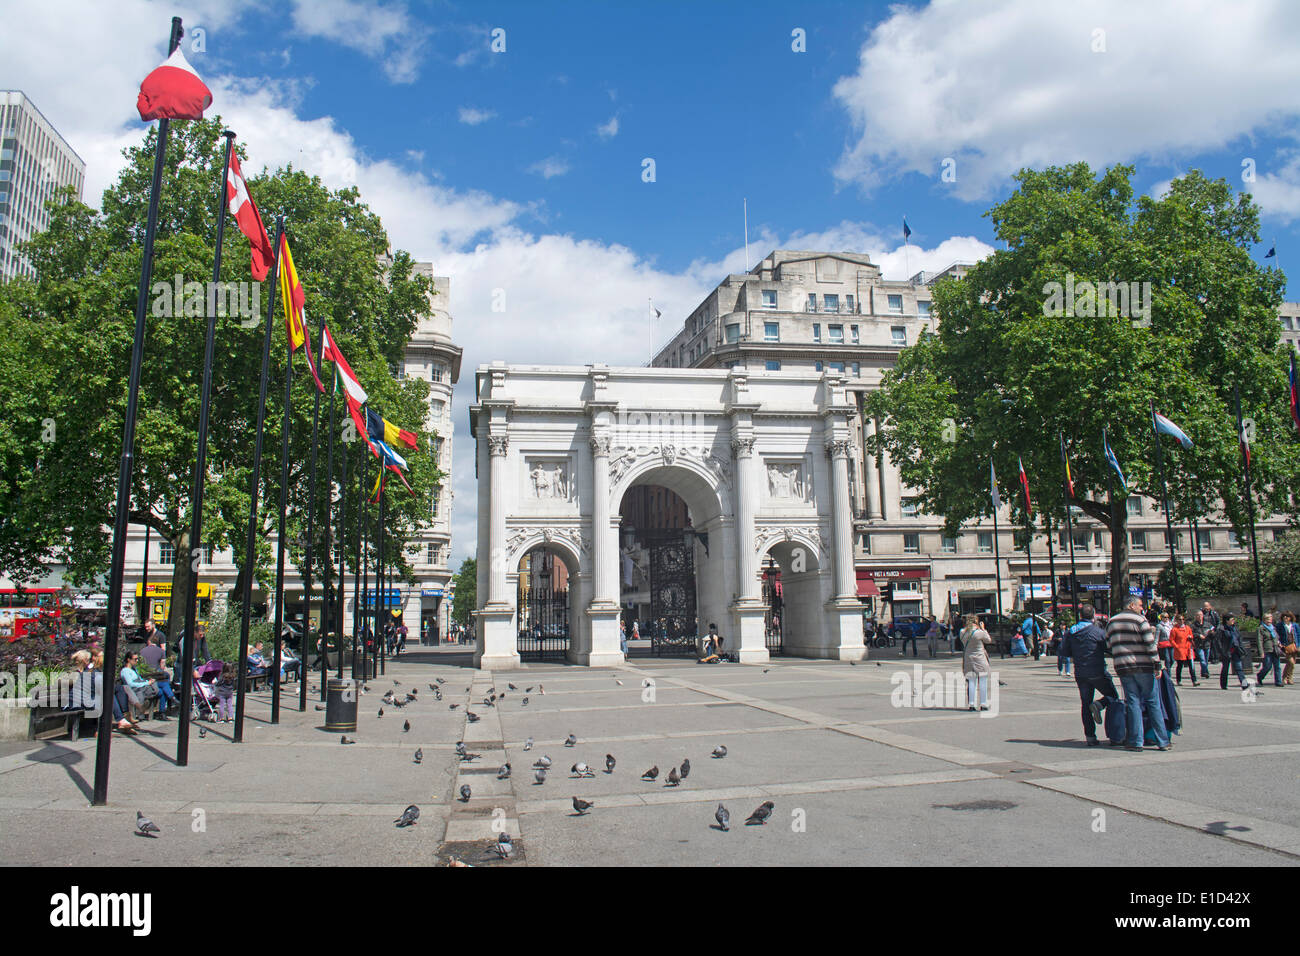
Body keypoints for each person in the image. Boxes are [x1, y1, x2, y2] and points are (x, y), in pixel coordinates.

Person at [1105, 599, 1171, 752]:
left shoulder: (1112, 622)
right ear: (1131, 605)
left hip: (1123, 666)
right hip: (1143, 666)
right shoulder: (1140, 620)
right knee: (1152, 702)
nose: (1142, 608)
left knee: (1133, 702)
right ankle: (1162, 740)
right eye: (1140, 605)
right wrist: (1157, 665)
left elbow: (1108, 645)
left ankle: (1136, 741)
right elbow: (1150, 645)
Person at [1059, 605, 1119, 746]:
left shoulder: (1071, 631)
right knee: (1113, 696)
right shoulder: (1097, 632)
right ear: (1093, 616)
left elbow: (1063, 651)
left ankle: (1090, 737)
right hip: (1097, 670)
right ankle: (1099, 705)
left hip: (1080, 672)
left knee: (1085, 703)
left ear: (1080, 615)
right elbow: (1109, 648)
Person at [138, 628, 178, 713]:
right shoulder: (161, 651)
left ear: (149, 642)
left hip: (145, 676)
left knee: (163, 689)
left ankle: (163, 710)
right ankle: (171, 699)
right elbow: (162, 666)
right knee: (165, 683)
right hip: (155, 678)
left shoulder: (142, 651)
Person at [960, 615, 992, 711]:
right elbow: (988, 640)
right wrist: (983, 629)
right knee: (982, 681)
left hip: (968, 658)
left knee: (971, 682)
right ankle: (983, 704)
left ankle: (972, 704)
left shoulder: (962, 632)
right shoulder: (979, 633)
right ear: (976, 621)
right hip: (980, 659)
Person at [120, 651, 161, 721]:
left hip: (140, 687)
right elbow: (130, 684)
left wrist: (147, 682)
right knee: (147, 690)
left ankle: (142, 709)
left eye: (137, 659)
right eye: (135, 659)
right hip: (133, 689)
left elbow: (140, 679)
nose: (137, 661)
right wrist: (146, 683)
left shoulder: (134, 669)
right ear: (128, 660)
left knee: (156, 685)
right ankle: (141, 709)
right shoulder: (125, 671)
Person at [1217, 614, 1249, 691]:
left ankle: (1244, 684)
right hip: (1226, 651)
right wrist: (1221, 651)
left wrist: (1242, 648)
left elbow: (1239, 639)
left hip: (1235, 650)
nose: (1233, 621)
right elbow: (1218, 641)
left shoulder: (1235, 628)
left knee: (1239, 668)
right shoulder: (1222, 629)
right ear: (1227, 621)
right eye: (1232, 620)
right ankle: (1223, 684)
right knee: (1225, 668)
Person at [1169, 613, 1198, 687]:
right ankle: (1179, 680)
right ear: (1177, 620)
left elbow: (1191, 635)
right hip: (1180, 650)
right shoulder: (1174, 629)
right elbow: (1171, 640)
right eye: (1180, 619)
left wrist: (1190, 637)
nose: (1181, 621)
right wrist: (1177, 647)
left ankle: (1194, 680)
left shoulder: (1187, 628)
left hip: (1188, 649)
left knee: (1191, 666)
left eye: (1183, 619)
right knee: (1180, 666)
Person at [1255, 612, 1282, 688]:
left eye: (1270, 618)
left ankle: (1278, 682)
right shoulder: (1260, 628)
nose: (1269, 620)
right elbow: (1259, 641)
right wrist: (1261, 652)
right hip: (1267, 649)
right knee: (1267, 666)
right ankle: (1260, 676)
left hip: (1275, 648)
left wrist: (1279, 643)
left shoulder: (1273, 628)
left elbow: (1276, 636)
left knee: (1277, 666)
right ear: (1264, 620)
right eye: (1267, 619)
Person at [1191, 610, 1214, 680]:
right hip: (1199, 644)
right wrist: (1198, 635)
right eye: (1198, 615)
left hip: (1206, 643)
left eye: (1200, 615)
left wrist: (1211, 632)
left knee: (1206, 660)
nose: (1199, 617)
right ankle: (1206, 672)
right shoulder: (1193, 625)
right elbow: (1191, 633)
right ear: (1195, 616)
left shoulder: (1207, 624)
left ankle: (1203, 672)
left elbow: (1213, 629)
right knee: (1202, 659)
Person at [1279, 611, 1299, 686]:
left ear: (1290, 617)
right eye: (1284, 616)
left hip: (1294, 646)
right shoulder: (1280, 625)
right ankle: (1285, 678)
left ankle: (1288, 678)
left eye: (1287, 616)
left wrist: (1298, 645)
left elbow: (1298, 635)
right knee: (1291, 662)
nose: (1285, 618)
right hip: (1286, 646)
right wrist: (1280, 643)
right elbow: (1277, 634)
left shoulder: (1295, 625)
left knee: (1291, 663)